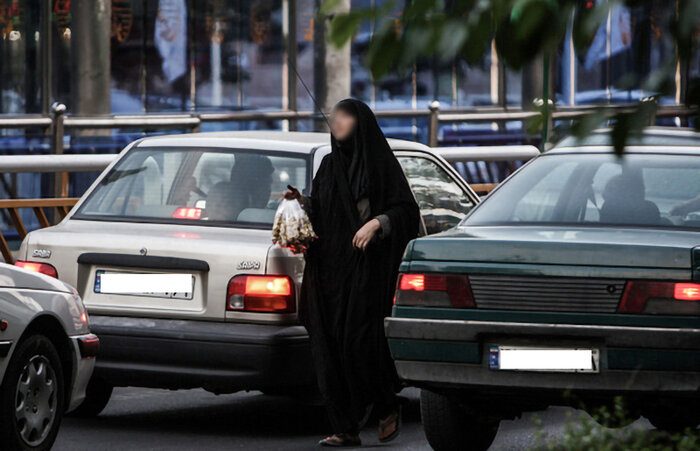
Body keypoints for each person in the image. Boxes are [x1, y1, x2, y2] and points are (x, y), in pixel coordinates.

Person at [284, 99, 420, 447]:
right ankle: (345, 427)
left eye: (345, 115)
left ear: (361, 122)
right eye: (335, 116)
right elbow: (325, 212)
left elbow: (406, 210)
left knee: (359, 346)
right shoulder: (329, 166)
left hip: (366, 274)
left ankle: (387, 406)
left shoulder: (380, 166)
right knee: (329, 349)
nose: (337, 121)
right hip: (330, 273)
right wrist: (301, 204)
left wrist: (377, 223)